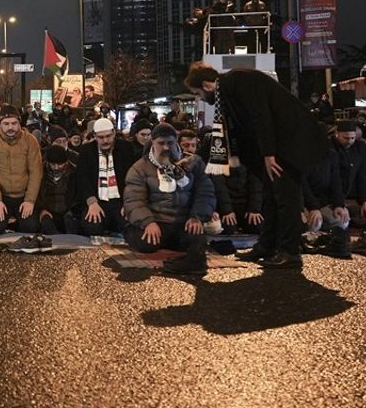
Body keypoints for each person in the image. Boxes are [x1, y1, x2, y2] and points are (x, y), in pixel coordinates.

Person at [184, 62, 328, 269]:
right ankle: (267, 245)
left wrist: (268, 153)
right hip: (279, 146)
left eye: (197, 93)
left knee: (287, 198)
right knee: (271, 196)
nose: (200, 98)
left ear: (207, 85)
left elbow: (260, 114)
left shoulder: (238, 80)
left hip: (288, 145)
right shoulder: (229, 89)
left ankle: (291, 251)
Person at [123, 123, 216, 276]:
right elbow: (134, 199)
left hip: (184, 221)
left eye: (170, 143)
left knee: (197, 240)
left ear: (176, 142)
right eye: (161, 143)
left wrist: (197, 216)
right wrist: (148, 222)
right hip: (157, 221)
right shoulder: (139, 168)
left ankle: (187, 263)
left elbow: (206, 192)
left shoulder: (194, 163)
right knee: (146, 243)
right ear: (152, 142)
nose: (166, 147)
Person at [0, 105, 43, 234]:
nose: (10, 127)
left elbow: (36, 172)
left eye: (14, 123)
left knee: (31, 227)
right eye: (6, 123)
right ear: (0, 125)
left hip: (23, 195)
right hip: (2, 195)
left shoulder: (30, 140)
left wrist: (30, 200)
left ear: (19, 123)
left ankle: (15, 225)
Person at [74, 117, 136, 236]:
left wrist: (129, 203)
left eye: (108, 136)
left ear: (113, 133)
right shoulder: (86, 150)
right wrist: (92, 202)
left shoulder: (126, 148)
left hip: (121, 201)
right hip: (97, 200)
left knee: (132, 227)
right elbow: (82, 179)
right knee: (92, 225)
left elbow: (132, 179)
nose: (105, 140)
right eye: (101, 137)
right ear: (95, 136)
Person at [38, 144, 78, 234]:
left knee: (71, 225)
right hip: (48, 210)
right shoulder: (40, 172)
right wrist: (41, 209)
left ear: (66, 162)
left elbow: (78, 197)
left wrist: (72, 211)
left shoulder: (74, 173)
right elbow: (36, 194)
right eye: (53, 164)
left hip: (68, 209)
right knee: (46, 225)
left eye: (60, 164)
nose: (56, 167)